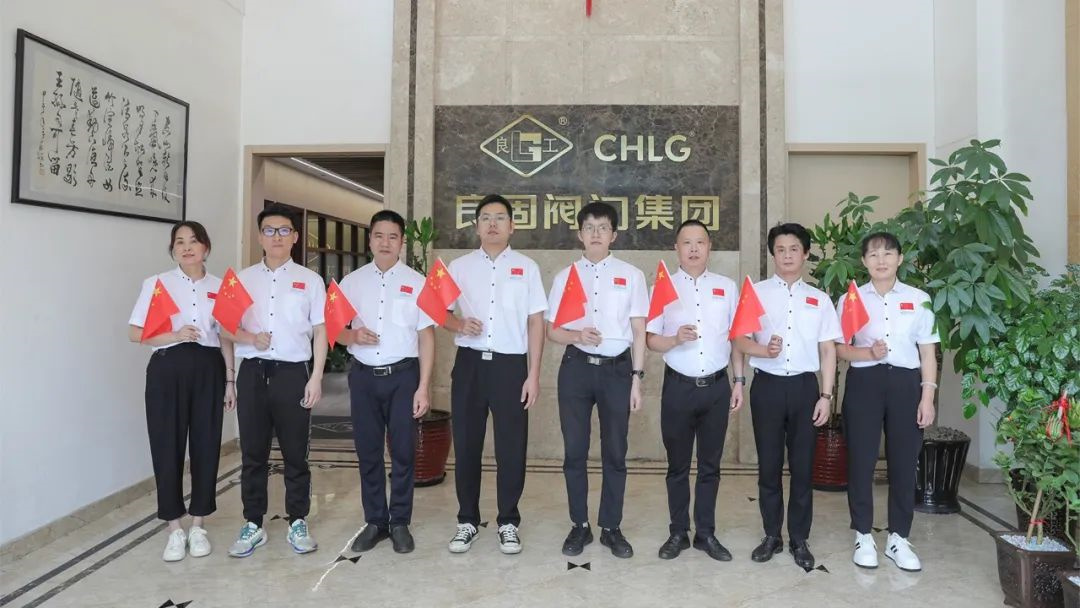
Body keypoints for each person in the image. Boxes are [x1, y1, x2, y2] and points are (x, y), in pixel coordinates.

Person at [442, 194, 547, 555]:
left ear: (512, 226)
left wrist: (533, 374)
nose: (492, 224)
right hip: (469, 365)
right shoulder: (458, 267)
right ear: (476, 226)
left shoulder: (527, 267)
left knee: (511, 447)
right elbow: (437, 311)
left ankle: (508, 522)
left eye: (500, 218)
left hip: (511, 367)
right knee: (467, 444)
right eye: (485, 218)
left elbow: (536, 322)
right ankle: (467, 521)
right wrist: (458, 324)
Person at [733, 222, 841, 570]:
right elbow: (739, 340)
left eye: (794, 249)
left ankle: (799, 538)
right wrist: (763, 350)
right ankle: (771, 535)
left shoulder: (820, 299)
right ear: (773, 255)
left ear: (805, 253)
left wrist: (826, 396)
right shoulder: (756, 292)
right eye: (780, 250)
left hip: (805, 389)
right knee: (768, 466)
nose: (787, 255)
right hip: (767, 386)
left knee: (803, 468)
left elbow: (828, 350)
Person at [128, 221, 236, 562]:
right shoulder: (157, 284)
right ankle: (174, 527)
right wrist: (175, 335)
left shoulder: (221, 287)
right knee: (166, 445)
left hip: (208, 368)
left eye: (193, 241)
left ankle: (199, 523)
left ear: (205, 247)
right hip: (167, 368)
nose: (186, 247)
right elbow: (135, 333)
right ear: (173, 249)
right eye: (179, 242)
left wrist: (230, 381)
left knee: (206, 444)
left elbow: (226, 337)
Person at [224, 203, 327, 558]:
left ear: (295, 237)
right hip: (252, 372)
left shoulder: (311, 281)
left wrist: (316, 377)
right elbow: (224, 328)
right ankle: (253, 523)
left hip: (292, 374)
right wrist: (248, 341)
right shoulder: (241, 279)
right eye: (269, 230)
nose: (277, 237)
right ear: (259, 237)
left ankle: (298, 520)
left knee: (296, 454)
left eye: (284, 230)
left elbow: (321, 331)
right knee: (253, 453)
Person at [546, 202, 648, 559]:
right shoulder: (566, 277)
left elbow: (639, 331)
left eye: (602, 227)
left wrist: (636, 379)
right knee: (575, 450)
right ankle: (580, 525)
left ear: (613, 235)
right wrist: (576, 335)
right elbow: (552, 331)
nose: (595, 234)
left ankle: (611, 527)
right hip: (576, 368)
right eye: (588, 227)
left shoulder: (631, 275)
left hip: (617, 371)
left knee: (615, 451)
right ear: (579, 234)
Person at [835, 231, 938, 572]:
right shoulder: (851, 298)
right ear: (864, 261)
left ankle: (899, 538)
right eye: (874, 255)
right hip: (864, 383)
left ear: (900, 258)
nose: (881, 260)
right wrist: (868, 352)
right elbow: (839, 348)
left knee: (904, 463)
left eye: (888, 253)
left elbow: (928, 353)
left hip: (906, 385)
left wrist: (927, 397)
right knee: (861, 461)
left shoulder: (919, 299)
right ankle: (863, 535)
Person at [646, 219, 744, 561]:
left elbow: (736, 339)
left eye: (699, 242)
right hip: (678, 387)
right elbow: (650, 339)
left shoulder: (726, 287)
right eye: (686, 243)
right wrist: (674, 339)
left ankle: (705, 534)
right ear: (676, 248)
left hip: (717, 387)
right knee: (677, 466)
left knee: (710, 466)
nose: (693, 249)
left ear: (709, 247)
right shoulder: (663, 287)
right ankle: (678, 532)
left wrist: (739, 381)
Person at [339, 209, 435, 554]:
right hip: (364, 377)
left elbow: (426, 337)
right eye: (379, 235)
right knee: (368, 451)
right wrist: (352, 336)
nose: (385, 243)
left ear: (402, 242)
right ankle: (375, 521)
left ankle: (400, 522)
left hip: (403, 377)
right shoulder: (351, 282)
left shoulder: (418, 283)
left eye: (392, 237)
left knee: (404, 452)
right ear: (370, 240)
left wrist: (423, 386)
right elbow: (333, 329)